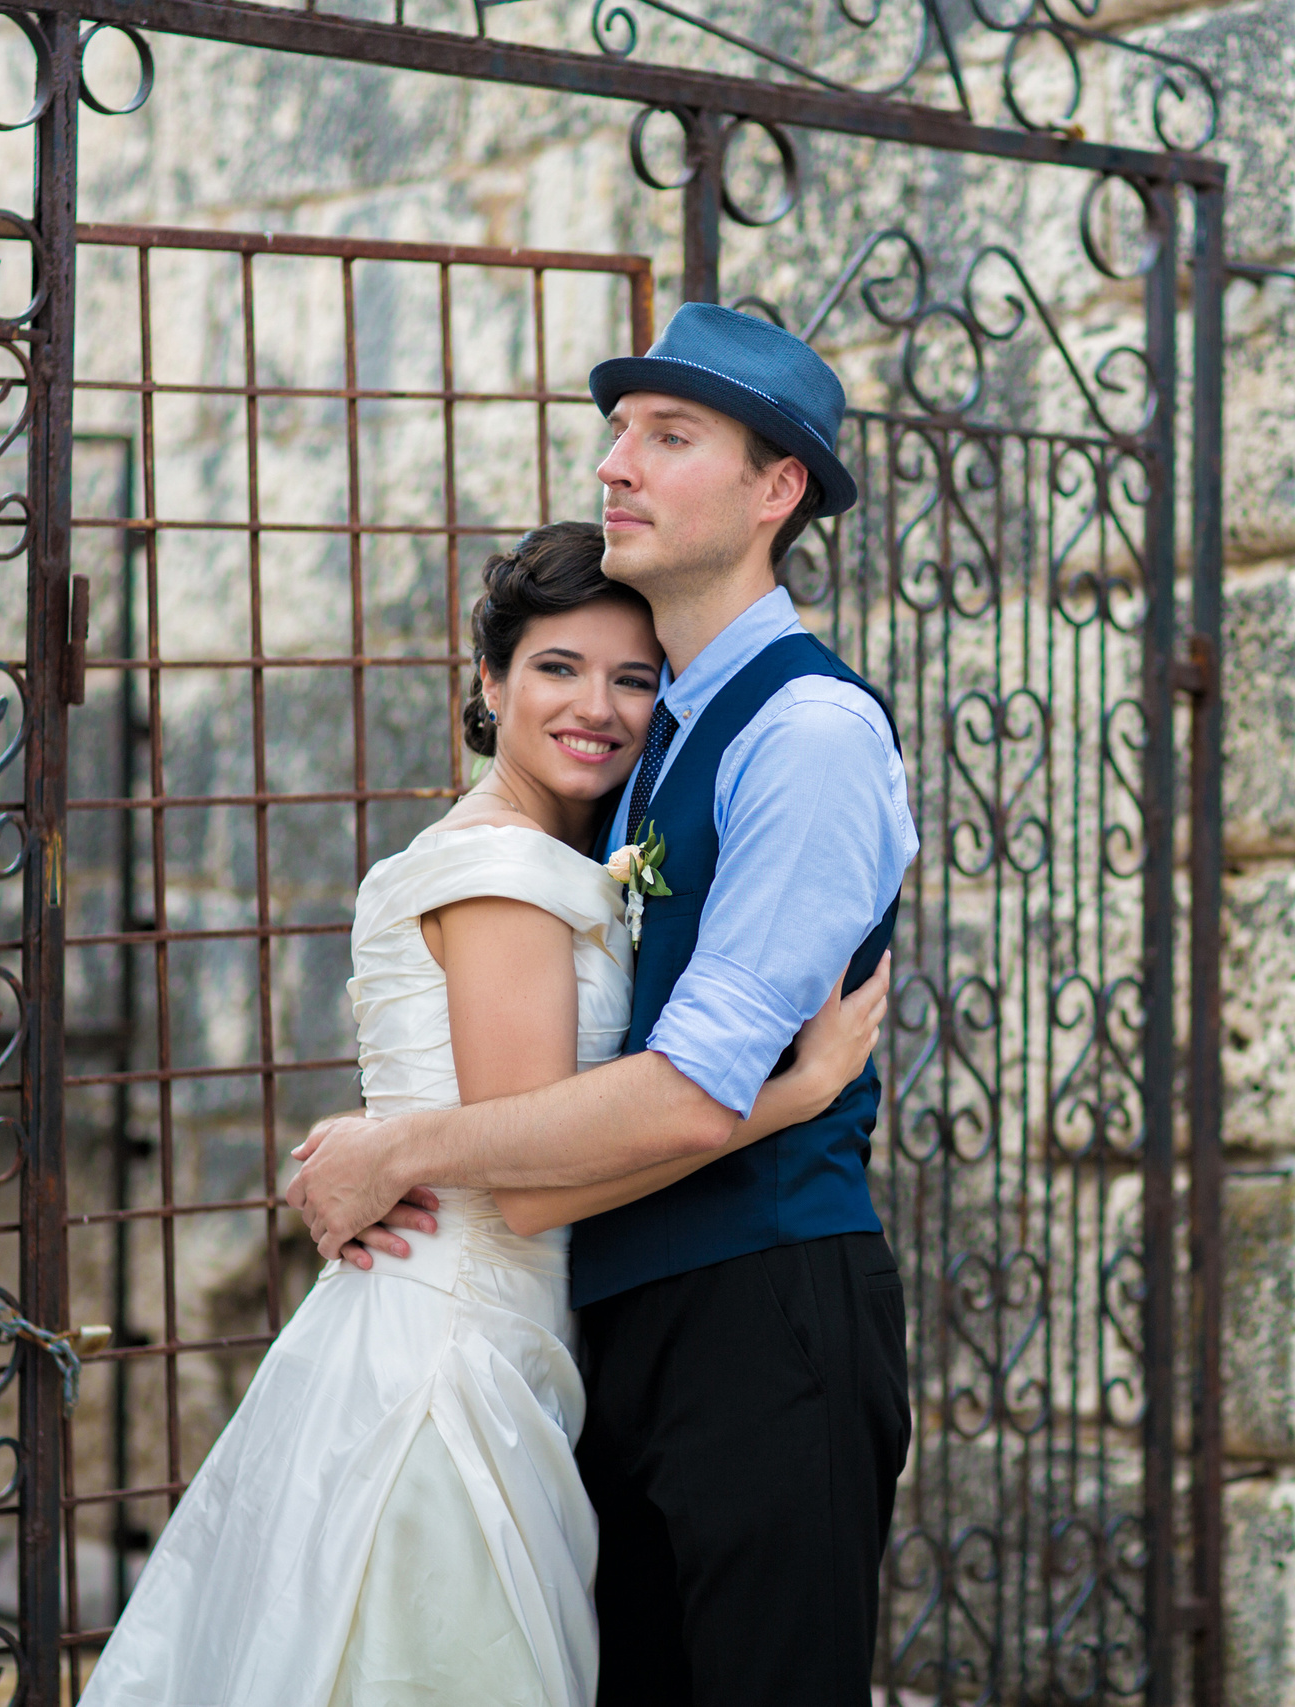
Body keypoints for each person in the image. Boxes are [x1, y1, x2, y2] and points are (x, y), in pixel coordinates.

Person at [77, 520, 890, 1707]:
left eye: (632, 679)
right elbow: (531, 1179)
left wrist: (396, 1140)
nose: (598, 708)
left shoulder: (563, 851)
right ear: (489, 680)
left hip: (504, 1330)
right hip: (453, 1351)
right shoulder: (507, 872)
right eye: (558, 668)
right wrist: (798, 1094)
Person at [288, 303, 919, 1706]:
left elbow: (698, 1083)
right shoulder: (650, 743)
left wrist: (403, 1147)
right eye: (618, 432)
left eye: (669, 435)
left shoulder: (807, 733)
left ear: (777, 491)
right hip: (619, 1321)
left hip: (765, 1315)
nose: (616, 464)